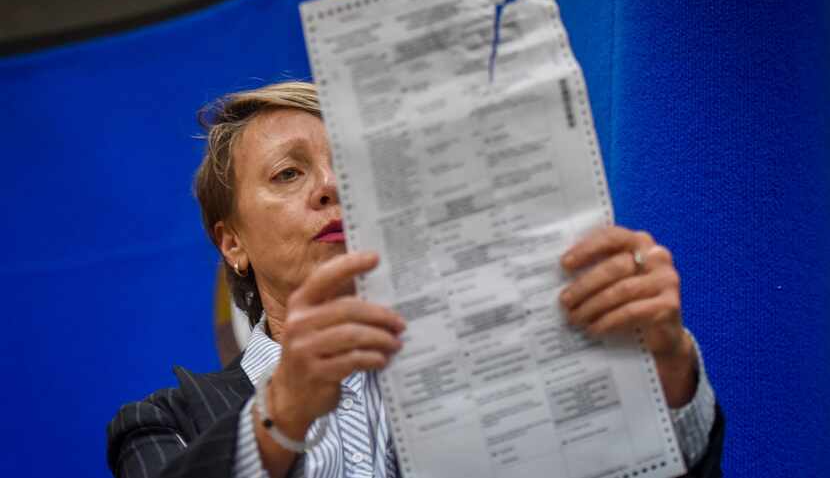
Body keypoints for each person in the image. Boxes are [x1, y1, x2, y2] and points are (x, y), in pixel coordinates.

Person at [107, 81, 724, 478]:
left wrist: (664, 366)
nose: (330, 187)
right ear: (231, 241)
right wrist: (283, 412)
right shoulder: (163, 422)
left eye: (346, 168)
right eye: (289, 174)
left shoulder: (501, 374)